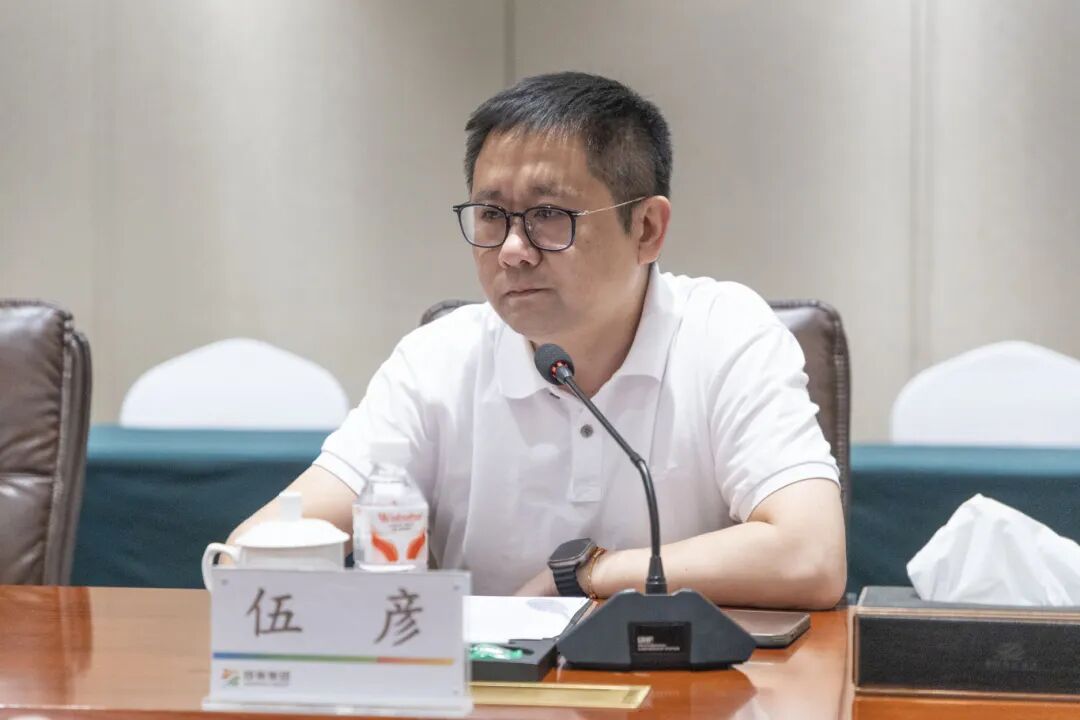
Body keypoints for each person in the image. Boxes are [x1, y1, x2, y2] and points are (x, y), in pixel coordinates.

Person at [228, 71, 846, 608]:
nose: (513, 251)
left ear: (647, 229)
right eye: (491, 216)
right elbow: (255, 550)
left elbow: (811, 556)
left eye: (550, 215)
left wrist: (587, 575)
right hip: (490, 687)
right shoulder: (437, 360)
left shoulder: (725, 335)